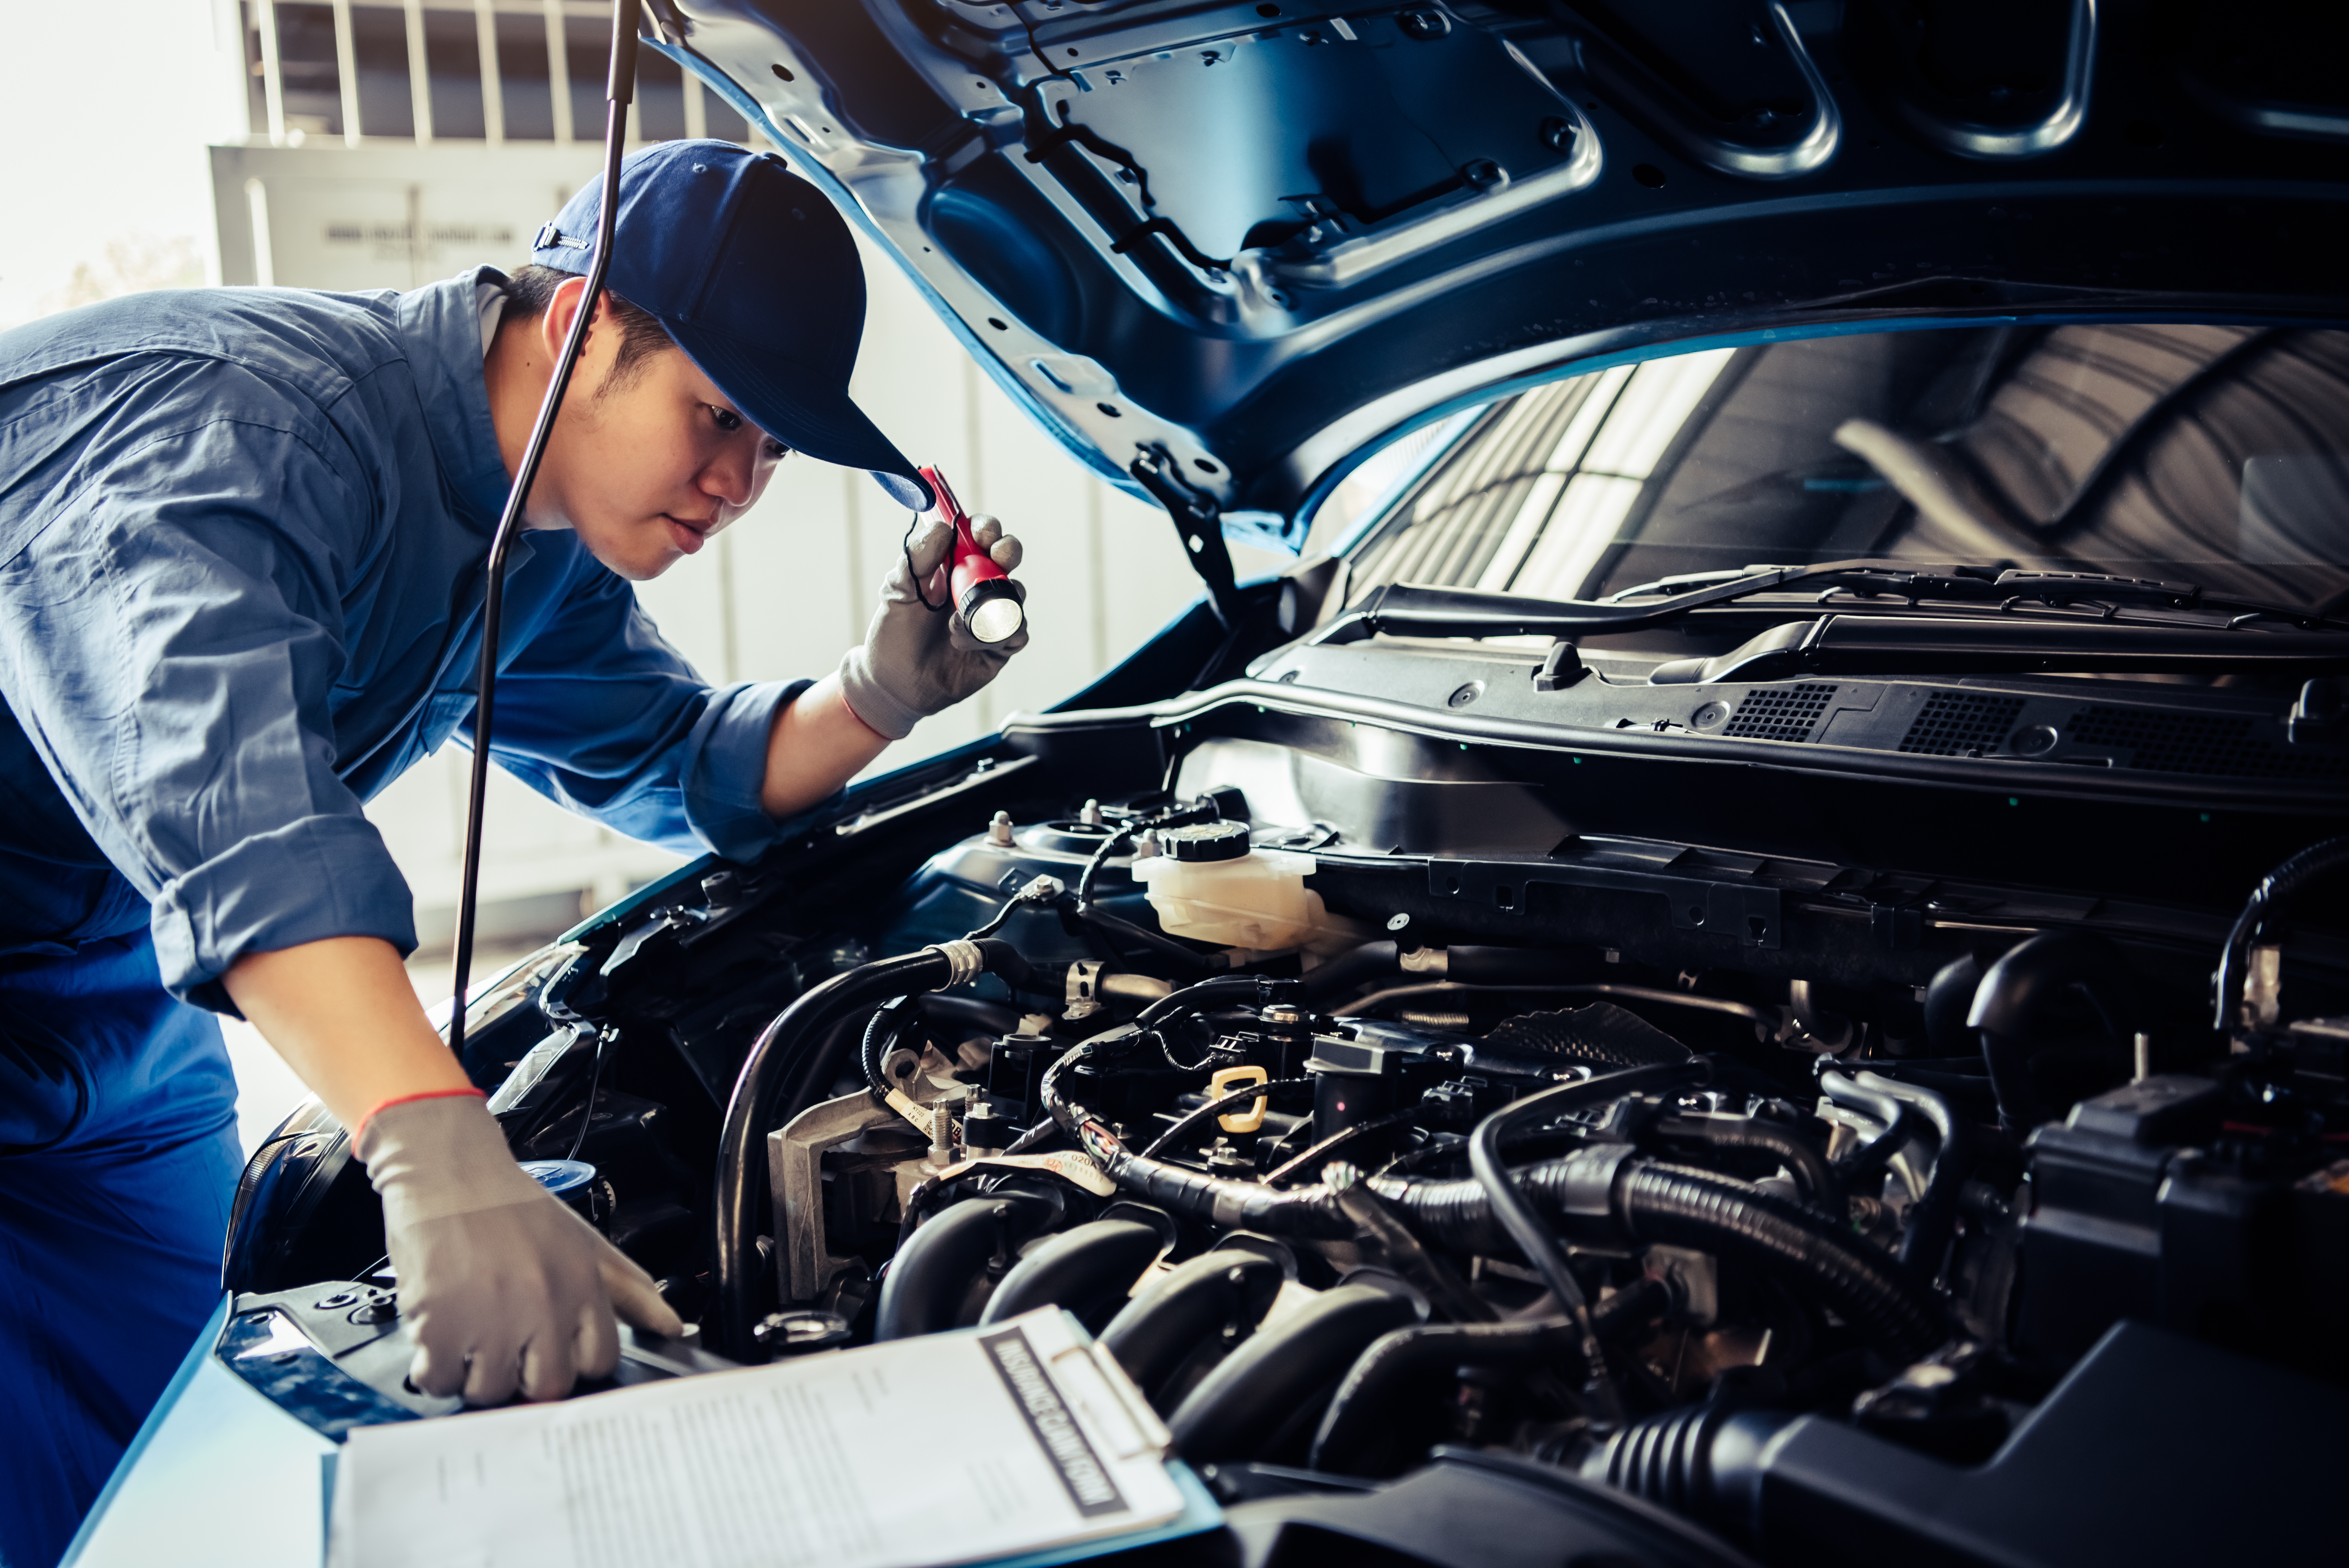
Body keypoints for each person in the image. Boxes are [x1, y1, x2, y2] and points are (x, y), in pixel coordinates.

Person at [0, 139, 1027, 1566]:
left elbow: (680, 762)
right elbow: (235, 811)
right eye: (718, 415)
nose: (739, 482)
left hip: (99, 1016)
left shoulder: (525, 546)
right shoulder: (244, 428)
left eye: (772, 452)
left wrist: (878, 693)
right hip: (87, 957)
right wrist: (440, 1151)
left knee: (180, 1470)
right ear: (579, 324)